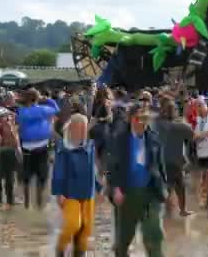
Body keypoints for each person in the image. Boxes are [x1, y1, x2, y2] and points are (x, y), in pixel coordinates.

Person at [108, 104, 168, 257]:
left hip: (150, 193)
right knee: (124, 239)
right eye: (138, 118)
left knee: (154, 235)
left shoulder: (154, 138)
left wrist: (166, 189)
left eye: (145, 118)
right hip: (127, 194)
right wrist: (115, 188)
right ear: (130, 119)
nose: (142, 122)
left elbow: (160, 166)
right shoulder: (120, 139)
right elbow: (112, 167)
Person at [52, 106, 98, 257]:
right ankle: (60, 248)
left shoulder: (90, 146)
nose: (82, 131)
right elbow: (58, 170)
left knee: (86, 228)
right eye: (79, 128)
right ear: (71, 129)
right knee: (73, 224)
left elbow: (93, 168)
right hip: (70, 192)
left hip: (88, 192)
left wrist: (99, 187)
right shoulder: (63, 148)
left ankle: (79, 253)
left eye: (84, 128)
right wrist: (58, 193)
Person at [17, 88, 59, 209]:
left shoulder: (22, 111)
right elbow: (56, 109)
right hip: (42, 147)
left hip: (26, 148)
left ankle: (26, 204)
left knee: (27, 176)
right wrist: (48, 99)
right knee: (42, 176)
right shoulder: (42, 110)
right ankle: (39, 204)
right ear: (36, 98)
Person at [154, 99, 194, 216]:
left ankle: (166, 211)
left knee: (167, 186)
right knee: (180, 186)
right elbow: (192, 135)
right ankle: (181, 210)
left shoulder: (158, 123)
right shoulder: (179, 126)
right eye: (175, 109)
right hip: (176, 161)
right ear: (173, 112)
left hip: (161, 160)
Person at [0, 107, 21, 210]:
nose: (8, 116)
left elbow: (14, 140)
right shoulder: (1, 126)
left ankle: (4, 200)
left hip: (8, 152)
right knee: (5, 177)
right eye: (6, 115)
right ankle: (5, 201)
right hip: (5, 152)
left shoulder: (6, 125)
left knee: (6, 177)